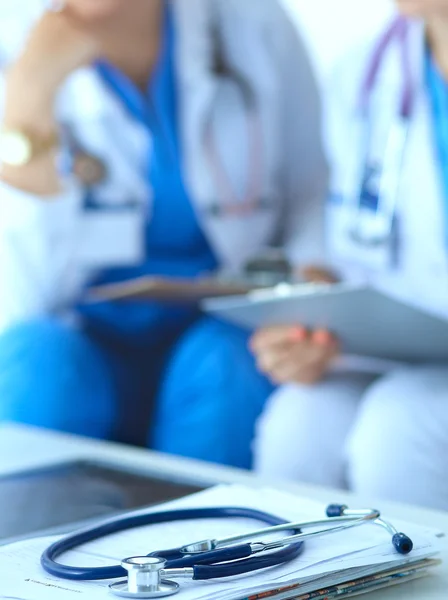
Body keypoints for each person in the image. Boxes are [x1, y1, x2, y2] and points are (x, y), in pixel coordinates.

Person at [0, 0, 327, 469]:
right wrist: (28, 100)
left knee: (228, 363)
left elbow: (313, 190)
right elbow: (17, 302)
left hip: (219, 329)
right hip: (77, 339)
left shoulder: (253, 23)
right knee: (36, 362)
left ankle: (210, 540)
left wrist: (309, 293)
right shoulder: (9, 44)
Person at [251, 0, 448, 509]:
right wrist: (315, 310)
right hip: (418, 348)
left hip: (418, 385)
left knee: (401, 429)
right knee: (300, 421)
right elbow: (355, 242)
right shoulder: (365, 72)